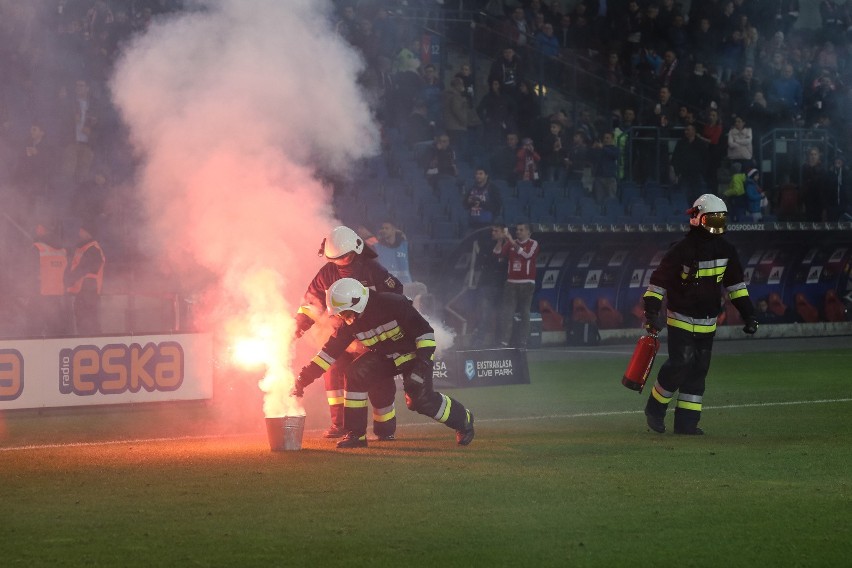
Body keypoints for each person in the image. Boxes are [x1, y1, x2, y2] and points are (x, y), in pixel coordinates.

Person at [291, 278, 475, 449]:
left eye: (345, 313)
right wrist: (301, 380)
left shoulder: (393, 304)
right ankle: (355, 435)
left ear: (357, 302)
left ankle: (464, 420)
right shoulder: (349, 323)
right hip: (384, 356)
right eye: (340, 314)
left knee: (420, 401)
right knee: (355, 373)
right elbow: (327, 355)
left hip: (414, 355)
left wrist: (421, 366)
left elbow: (425, 334)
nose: (343, 318)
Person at [642, 194, 758, 436]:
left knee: (698, 371)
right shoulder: (681, 250)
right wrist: (652, 311)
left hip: (708, 322)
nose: (717, 226)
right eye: (712, 220)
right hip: (681, 318)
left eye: (721, 221)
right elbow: (658, 282)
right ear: (697, 218)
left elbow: (736, 286)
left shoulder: (727, 250)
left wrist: (749, 315)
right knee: (680, 364)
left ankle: (687, 424)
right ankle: (655, 408)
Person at [293, 226, 403, 440]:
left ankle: (385, 428)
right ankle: (340, 425)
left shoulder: (373, 270)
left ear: (356, 250)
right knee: (333, 374)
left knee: (381, 383)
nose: (343, 260)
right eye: (337, 257)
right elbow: (311, 305)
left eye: (346, 256)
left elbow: (395, 294)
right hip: (342, 335)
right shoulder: (326, 273)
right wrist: (295, 329)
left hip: (373, 338)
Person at [495, 223, 539, 348]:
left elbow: (527, 255)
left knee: (525, 312)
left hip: (527, 283)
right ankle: (504, 342)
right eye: (517, 230)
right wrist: (500, 241)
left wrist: (511, 241)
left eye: (521, 230)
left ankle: (523, 341)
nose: (518, 232)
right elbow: (498, 255)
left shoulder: (533, 244)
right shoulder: (510, 242)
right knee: (507, 312)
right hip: (511, 283)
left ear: (529, 233)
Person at [27, 224, 69, 336]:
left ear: (41, 229)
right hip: (56, 297)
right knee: (57, 332)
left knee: (32, 332)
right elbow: (67, 274)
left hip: (39, 296)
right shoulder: (63, 250)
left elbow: (28, 272)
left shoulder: (37, 248)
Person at [65, 223, 106, 336]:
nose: (79, 233)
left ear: (87, 232)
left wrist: (69, 280)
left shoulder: (92, 249)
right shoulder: (85, 248)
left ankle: (93, 347)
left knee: (89, 325)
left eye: (82, 230)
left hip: (88, 293)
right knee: (86, 324)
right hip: (84, 293)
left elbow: (83, 269)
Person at [473, 223, 509, 347]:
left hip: (501, 286)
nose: (493, 233)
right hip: (486, 285)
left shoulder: (509, 246)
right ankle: (479, 341)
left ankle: (498, 342)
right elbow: (484, 262)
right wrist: (498, 244)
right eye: (493, 231)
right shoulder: (487, 245)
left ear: (503, 232)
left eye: (496, 231)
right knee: (485, 314)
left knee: (500, 314)